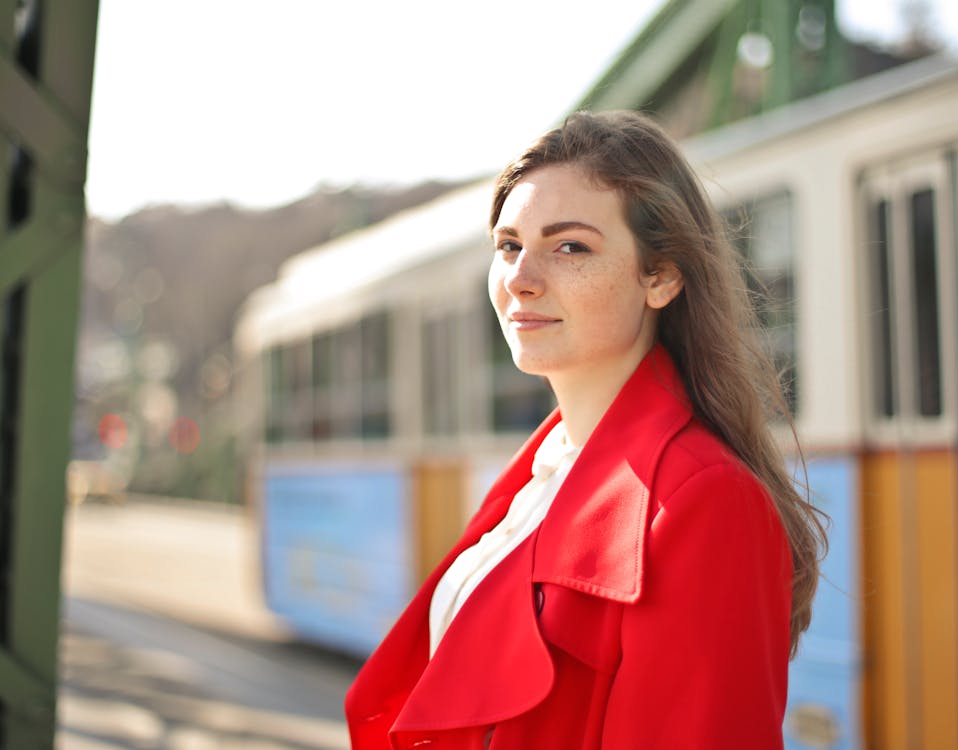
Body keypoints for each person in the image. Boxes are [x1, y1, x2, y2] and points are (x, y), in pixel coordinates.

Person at [345, 110, 827, 749]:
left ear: (661, 276)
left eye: (570, 246)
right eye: (510, 245)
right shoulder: (540, 472)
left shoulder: (704, 501)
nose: (520, 278)